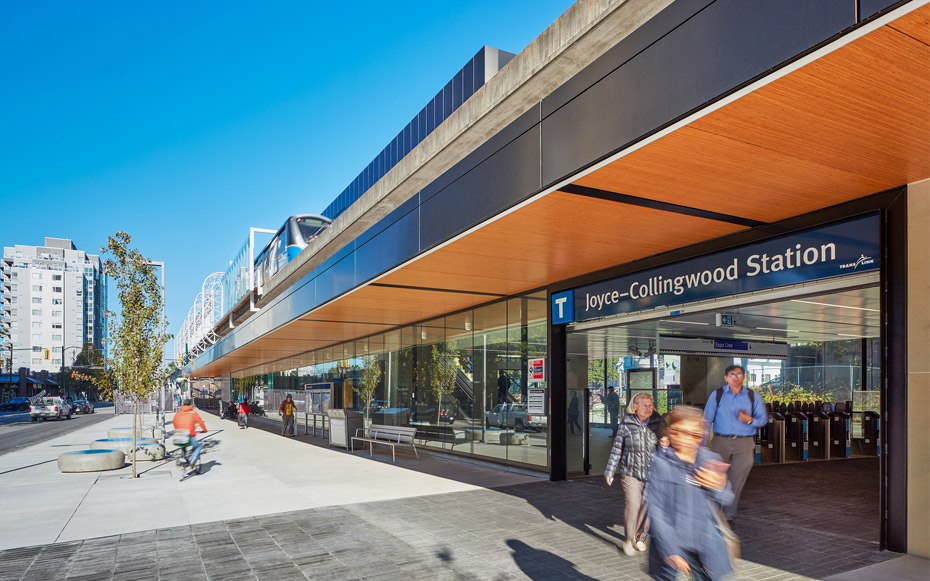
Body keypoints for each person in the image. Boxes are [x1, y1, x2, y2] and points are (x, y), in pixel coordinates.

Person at [646, 406, 734, 580]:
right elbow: (655, 510)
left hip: (705, 546)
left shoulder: (711, 460)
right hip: (673, 546)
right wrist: (670, 550)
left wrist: (719, 485)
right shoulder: (660, 463)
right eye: (679, 432)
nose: (686, 439)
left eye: (694, 434)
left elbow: (727, 498)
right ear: (671, 432)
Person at [703, 364, 767, 521]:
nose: (736, 378)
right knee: (716, 478)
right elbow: (706, 419)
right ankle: (713, 513)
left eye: (739, 375)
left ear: (743, 377)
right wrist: (702, 445)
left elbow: (763, 419)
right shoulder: (717, 395)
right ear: (726, 378)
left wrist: (750, 420)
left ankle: (728, 515)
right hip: (720, 442)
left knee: (737, 481)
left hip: (744, 444)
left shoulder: (753, 396)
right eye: (732, 375)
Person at [604, 393, 662, 556]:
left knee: (647, 505)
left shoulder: (658, 423)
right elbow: (617, 448)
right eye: (644, 405)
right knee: (634, 503)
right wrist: (610, 470)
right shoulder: (626, 423)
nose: (648, 408)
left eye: (650, 405)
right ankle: (629, 539)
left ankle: (641, 538)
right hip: (630, 471)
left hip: (652, 472)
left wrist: (665, 444)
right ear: (635, 407)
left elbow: (665, 444)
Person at [172, 399, 207, 467]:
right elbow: (200, 422)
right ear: (190, 405)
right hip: (189, 435)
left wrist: (178, 430)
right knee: (198, 447)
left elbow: (175, 423)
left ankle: (184, 458)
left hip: (178, 435)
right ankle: (192, 461)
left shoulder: (178, 414)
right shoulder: (193, 413)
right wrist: (204, 430)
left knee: (184, 446)